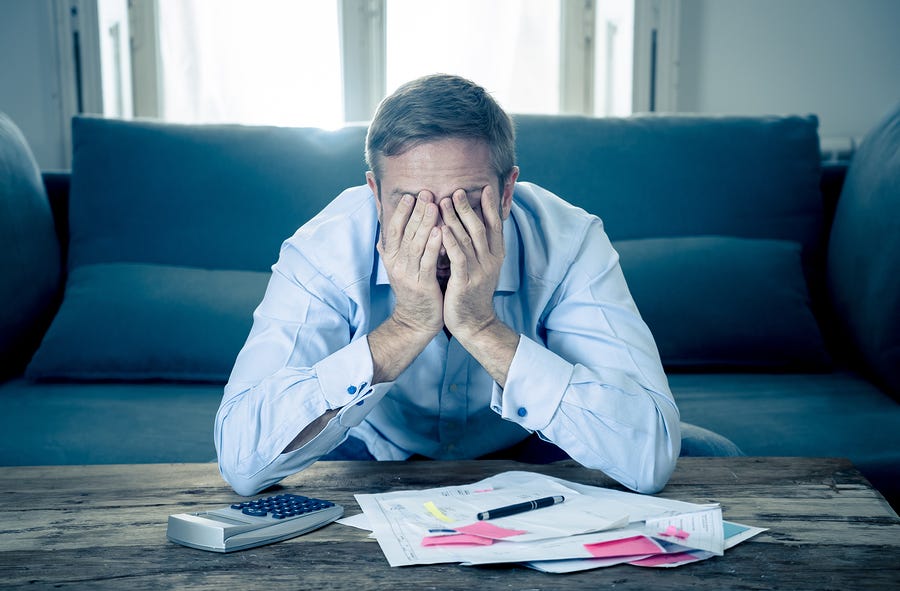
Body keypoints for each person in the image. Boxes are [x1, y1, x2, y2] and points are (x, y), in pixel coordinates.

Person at [215, 74, 734, 497]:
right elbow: (240, 459)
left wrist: (480, 326)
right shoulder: (323, 250)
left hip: (532, 443)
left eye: (467, 200)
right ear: (374, 193)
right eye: (410, 203)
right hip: (370, 446)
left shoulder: (571, 240)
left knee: (709, 454)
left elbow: (648, 457)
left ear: (508, 191)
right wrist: (406, 327)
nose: (440, 230)